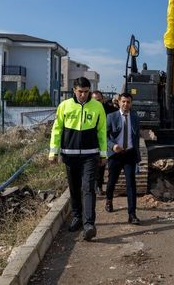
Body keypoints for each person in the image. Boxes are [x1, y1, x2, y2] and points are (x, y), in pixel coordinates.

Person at [49, 77, 107, 241]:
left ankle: (89, 224)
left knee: (88, 188)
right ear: (74, 90)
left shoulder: (97, 107)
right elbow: (57, 129)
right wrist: (53, 152)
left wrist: (103, 154)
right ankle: (77, 217)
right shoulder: (64, 106)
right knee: (74, 188)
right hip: (70, 154)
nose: (83, 95)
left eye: (86, 92)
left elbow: (102, 132)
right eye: (80, 91)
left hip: (90, 154)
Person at [105, 92, 141, 224]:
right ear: (119, 102)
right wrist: (112, 146)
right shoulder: (111, 117)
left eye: (128, 102)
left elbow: (136, 137)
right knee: (111, 181)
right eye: (123, 102)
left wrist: (137, 156)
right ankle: (109, 199)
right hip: (115, 154)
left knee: (131, 184)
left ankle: (132, 214)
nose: (126, 104)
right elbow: (105, 136)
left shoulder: (135, 117)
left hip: (129, 154)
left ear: (131, 104)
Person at [91, 90, 110, 196]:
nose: (97, 102)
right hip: (90, 141)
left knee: (101, 164)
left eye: (98, 100)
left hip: (103, 141)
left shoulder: (108, 110)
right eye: (94, 100)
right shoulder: (88, 110)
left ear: (102, 100)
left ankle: (98, 185)